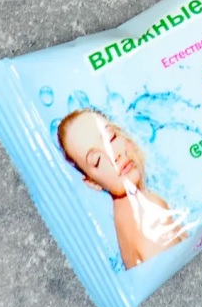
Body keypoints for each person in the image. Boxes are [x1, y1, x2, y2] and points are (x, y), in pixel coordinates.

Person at [57, 108, 188, 269]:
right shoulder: (148, 213)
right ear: (92, 182)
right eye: (97, 160)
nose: (114, 156)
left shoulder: (123, 218)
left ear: (124, 135)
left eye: (111, 138)